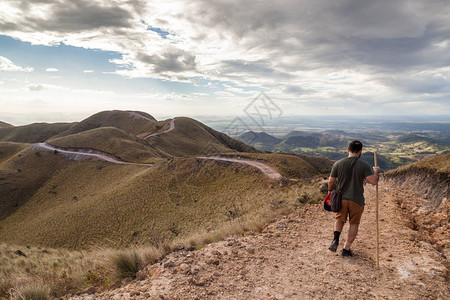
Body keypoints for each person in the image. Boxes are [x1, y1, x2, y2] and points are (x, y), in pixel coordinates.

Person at [327, 140, 380, 257]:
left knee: (339, 219)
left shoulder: (338, 163)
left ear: (348, 149)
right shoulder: (364, 165)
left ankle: (335, 240)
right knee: (354, 224)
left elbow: (331, 181)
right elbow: (374, 182)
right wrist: (376, 172)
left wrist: (330, 192)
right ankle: (346, 249)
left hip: (341, 198)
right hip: (357, 200)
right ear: (360, 152)